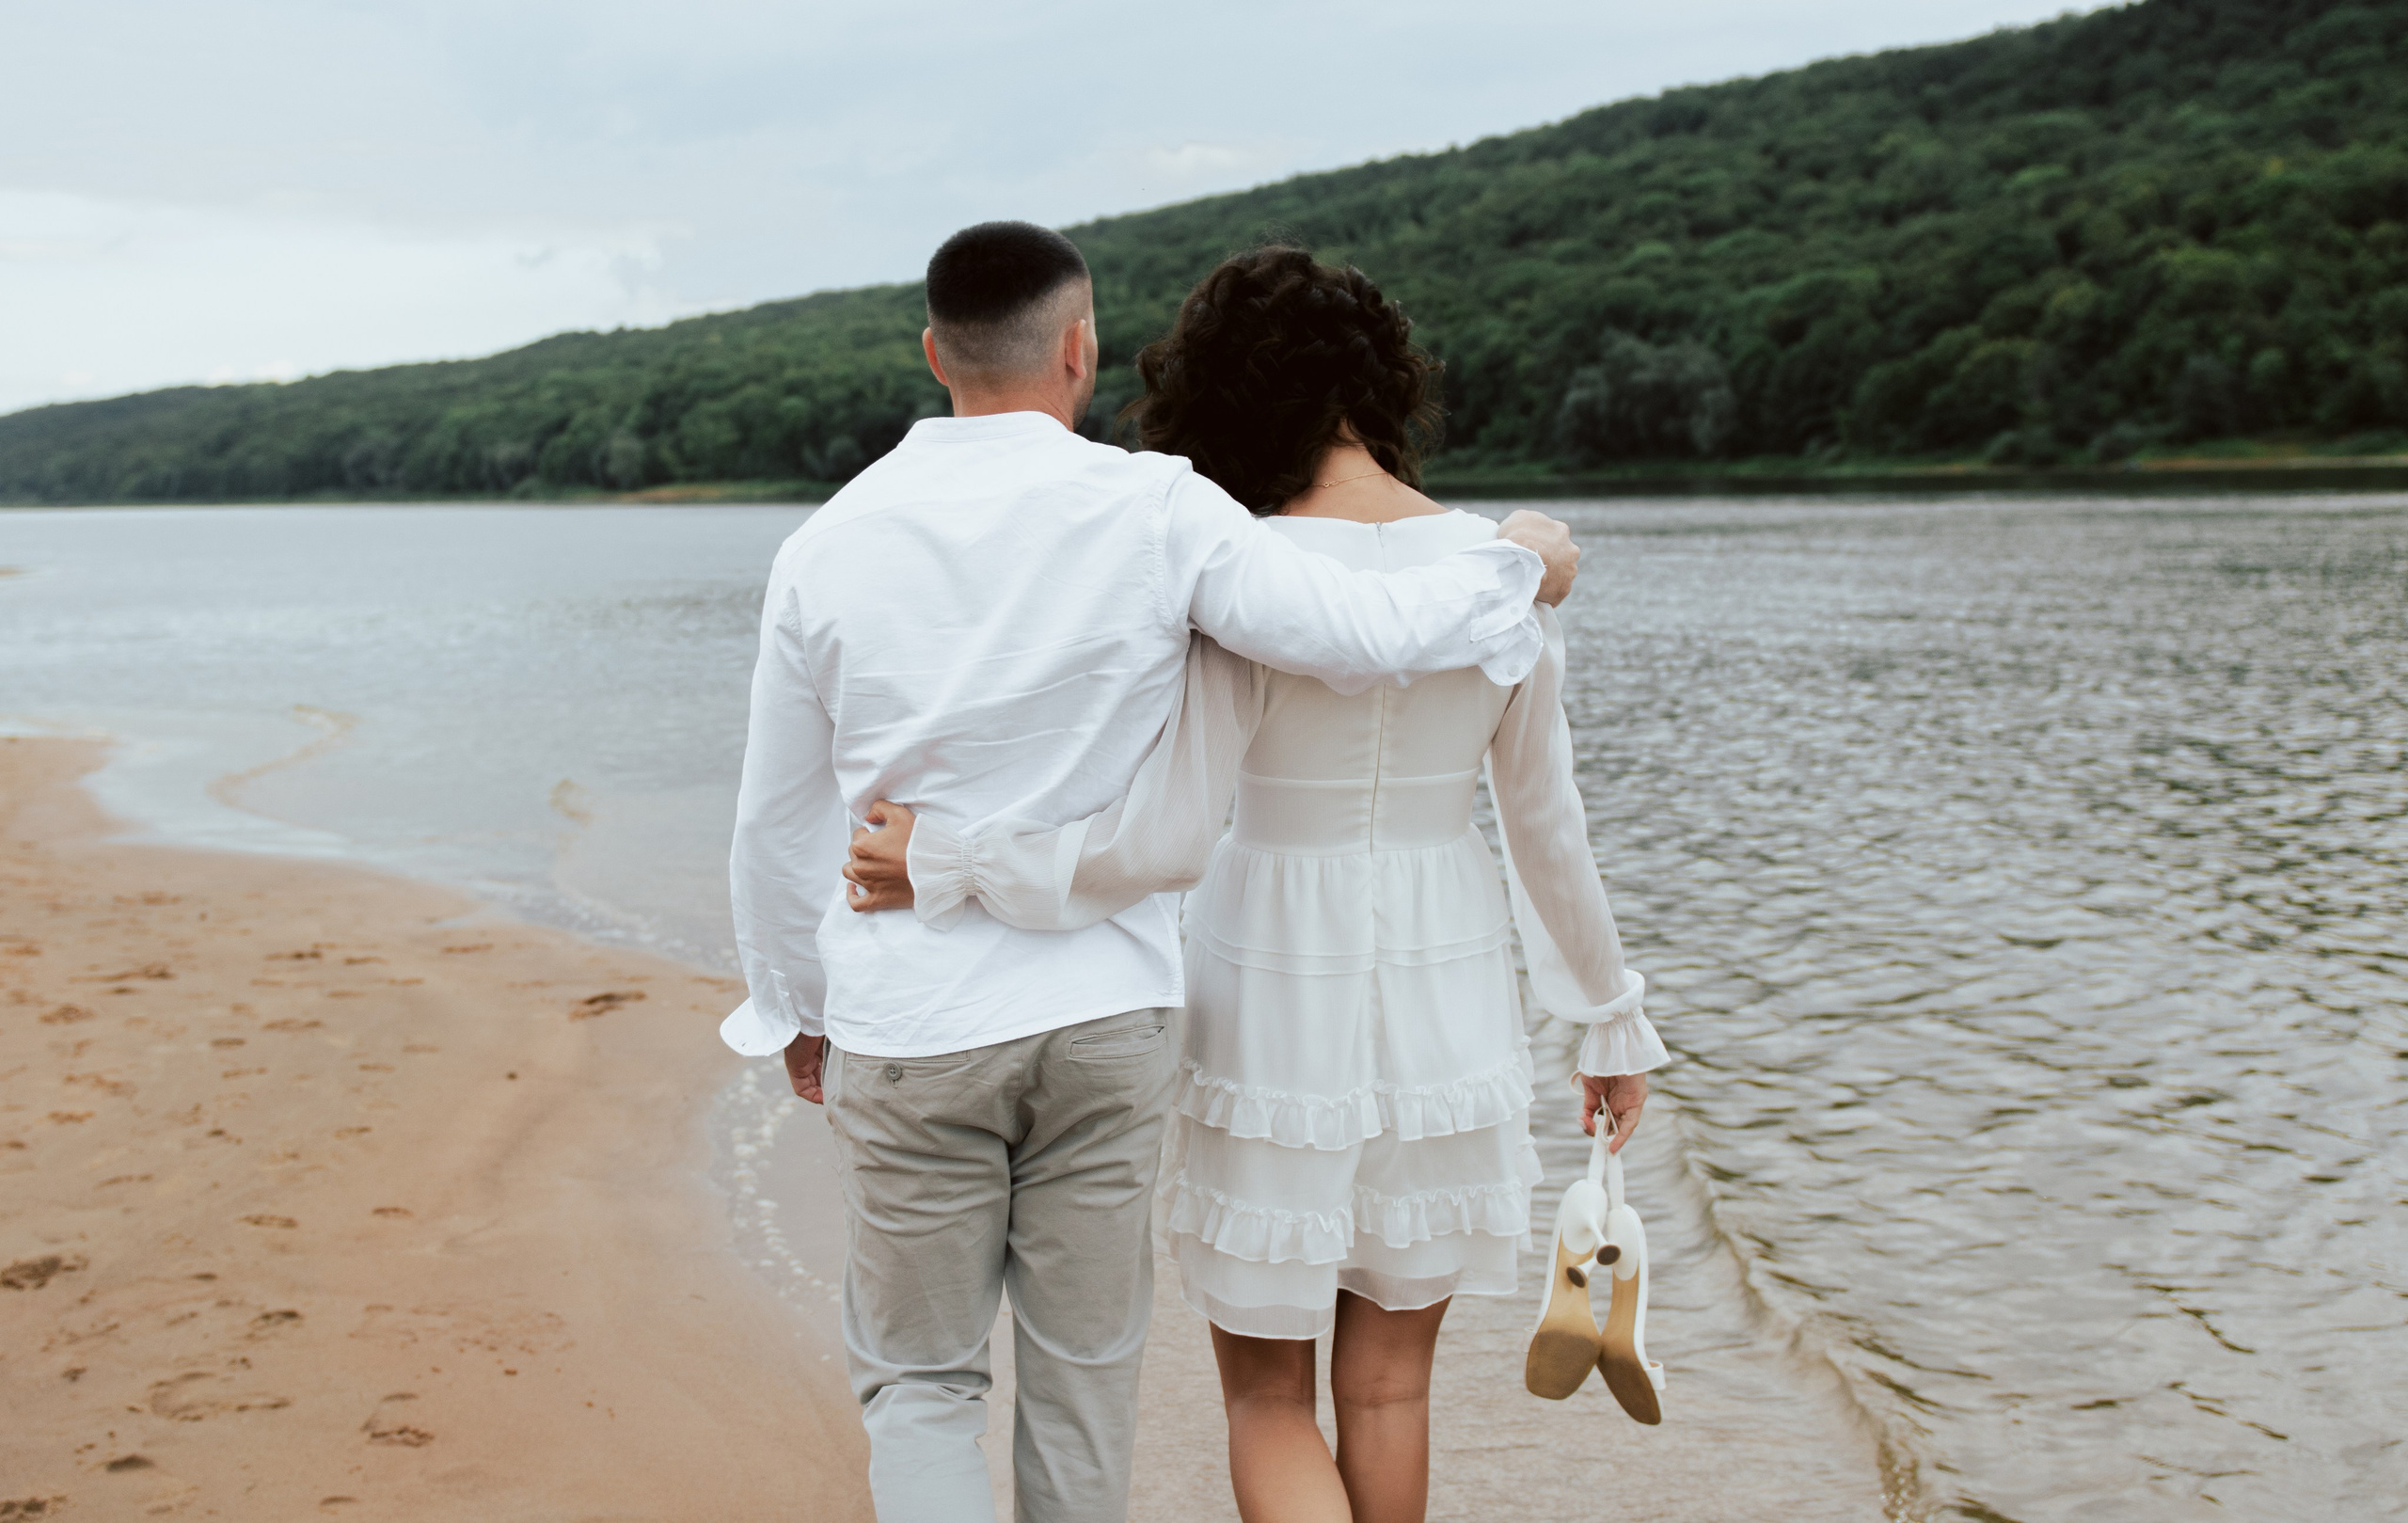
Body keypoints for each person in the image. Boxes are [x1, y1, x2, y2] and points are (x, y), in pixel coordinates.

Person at [722, 221, 1581, 1523]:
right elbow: (1367, 633)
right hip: (1110, 1016)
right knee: (1084, 1388)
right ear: (1079, 348)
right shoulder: (1159, 509)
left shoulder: (824, 545)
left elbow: (775, 819)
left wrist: (797, 1007)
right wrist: (1521, 558)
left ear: (931, 351)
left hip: (916, 1018)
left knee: (921, 1384)